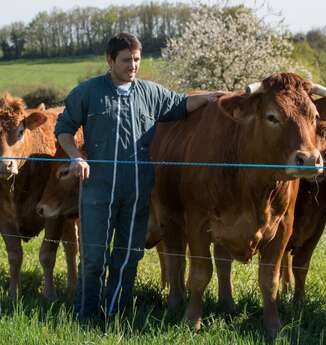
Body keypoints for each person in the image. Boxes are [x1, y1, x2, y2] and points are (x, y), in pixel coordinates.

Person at [55, 32, 222, 322]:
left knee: (128, 257)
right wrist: (75, 156)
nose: (132, 66)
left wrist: (209, 98)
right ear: (109, 61)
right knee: (94, 258)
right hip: (97, 190)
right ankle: (86, 315)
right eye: (125, 60)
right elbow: (64, 129)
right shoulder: (88, 92)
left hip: (136, 192)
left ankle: (115, 313)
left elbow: (181, 105)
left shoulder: (150, 93)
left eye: (136, 59)